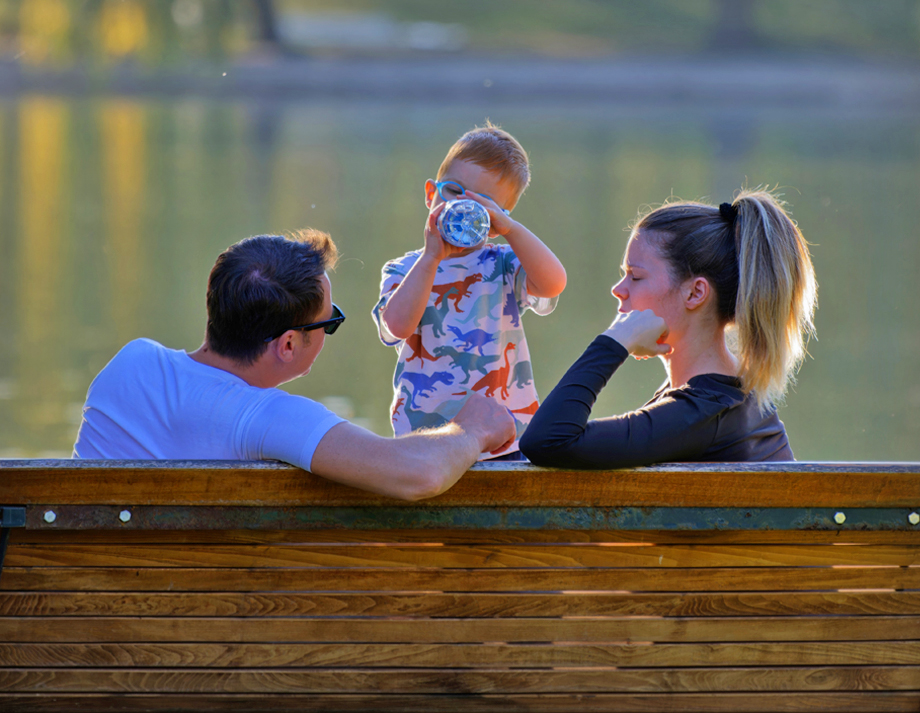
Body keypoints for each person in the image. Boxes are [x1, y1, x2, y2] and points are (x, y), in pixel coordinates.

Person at [73, 230, 516, 500]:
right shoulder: (268, 418)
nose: (329, 330)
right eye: (330, 321)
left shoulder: (130, 362)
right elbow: (418, 474)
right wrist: (473, 430)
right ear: (288, 344)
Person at [520, 188, 817, 468]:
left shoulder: (703, 412)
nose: (618, 289)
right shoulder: (732, 396)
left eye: (635, 277)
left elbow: (548, 441)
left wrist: (615, 341)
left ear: (695, 293)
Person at [372, 123, 567, 460]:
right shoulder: (405, 270)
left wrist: (512, 231)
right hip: (424, 440)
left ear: (496, 218)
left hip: (506, 440)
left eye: (483, 204)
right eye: (453, 191)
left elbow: (553, 283)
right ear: (431, 194)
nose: (462, 207)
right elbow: (396, 327)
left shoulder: (504, 264)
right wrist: (432, 257)